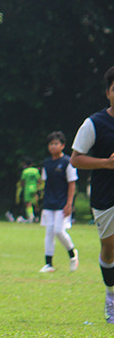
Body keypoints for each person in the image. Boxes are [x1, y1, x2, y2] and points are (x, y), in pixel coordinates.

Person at [70, 65, 114, 323]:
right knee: (109, 249)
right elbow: (76, 159)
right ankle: (111, 295)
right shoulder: (94, 123)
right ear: (108, 93)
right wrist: (106, 163)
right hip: (106, 195)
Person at [38, 131, 78, 273]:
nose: (53, 146)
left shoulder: (67, 162)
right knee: (49, 232)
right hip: (49, 203)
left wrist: (69, 204)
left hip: (62, 203)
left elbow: (72, 183)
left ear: (62, 145)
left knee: (59, 231)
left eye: (56, 143)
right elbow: (44, 182)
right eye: (51, 144)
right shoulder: (47, 163)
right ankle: (48, 264)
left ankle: (72, 253)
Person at [16, 157, 41, 222]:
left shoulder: (25, 171)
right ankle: (37, 217)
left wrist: (22, 187)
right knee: (36, 203)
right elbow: (39, 180)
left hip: (27, 188)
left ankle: (31, 217)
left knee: (28, 203)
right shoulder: (36, 170)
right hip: (35, 188)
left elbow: (22, 182)